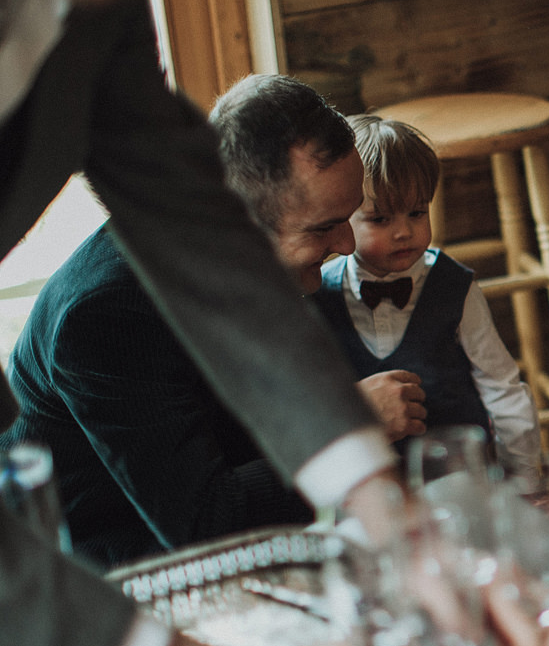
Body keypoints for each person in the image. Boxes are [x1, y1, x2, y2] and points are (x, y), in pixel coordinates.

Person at [0, 0, 549, 646]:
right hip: (94, 566)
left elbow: (202, 232)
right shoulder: (98, 319)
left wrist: (388, 517)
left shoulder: (97, 1)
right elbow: (183, 526)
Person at [1, 77, 430, 566]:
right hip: (113, 569)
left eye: (348, 218)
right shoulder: (105, 317)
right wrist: (350, 422)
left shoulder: (248, 255)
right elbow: (205, 523)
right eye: (324, 228)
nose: (347, 246)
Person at [312, 114, 540, 476]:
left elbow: (503, 388)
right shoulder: (318, 291)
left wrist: (524, 476)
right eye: (381, 219)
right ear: (343, 218)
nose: (404, 231)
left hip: (460, 476)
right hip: (371, 480)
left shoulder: (455, 289)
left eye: (417, 212)